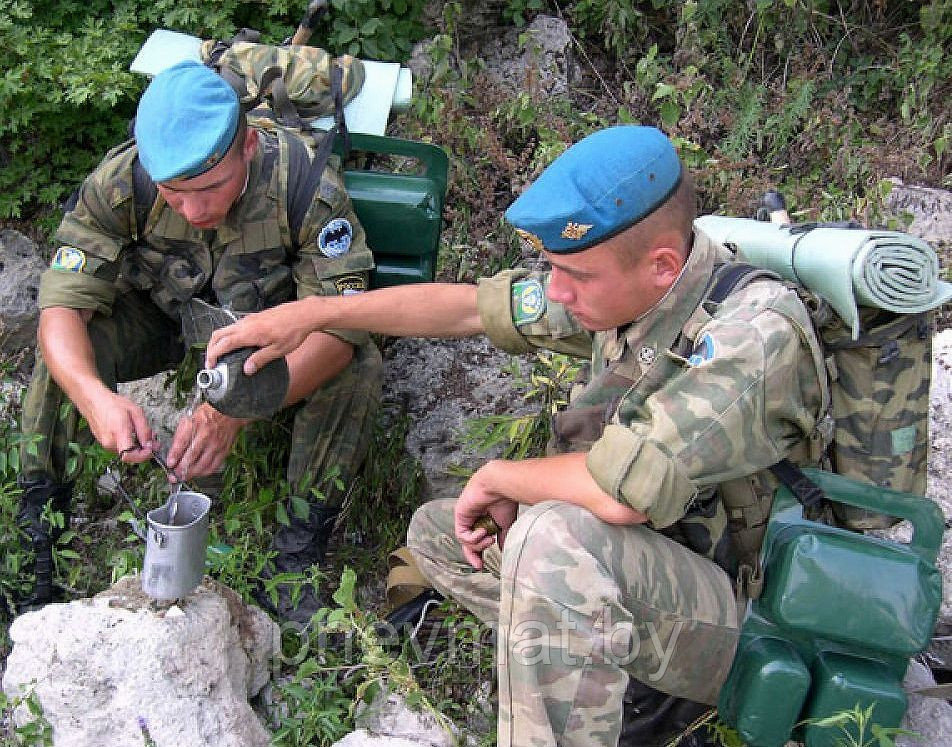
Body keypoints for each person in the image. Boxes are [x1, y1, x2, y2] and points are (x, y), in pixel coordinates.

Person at [205, 125, 827, 745]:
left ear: (662, 265)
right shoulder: (633, 288)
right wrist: (318, 312)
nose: (556, 290)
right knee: (439, 534)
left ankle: (608, 696)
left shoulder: (751, 340)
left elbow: (622, 495)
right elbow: (468, 308)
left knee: (550, 538)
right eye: (554, 270)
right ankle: (604, 663)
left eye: (573, 275)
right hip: (661, 569)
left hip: (755, 621)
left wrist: (499, 477)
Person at [17, 61, 382, 618]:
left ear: (249, 148)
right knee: (66, 360)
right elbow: (62, 306)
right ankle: (37, 542)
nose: (194, 210)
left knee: (357, 364)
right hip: (163, 319)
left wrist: (232, 411)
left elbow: (339, 323)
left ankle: (296, 557)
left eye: (211, 188)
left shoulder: (306, 185)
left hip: (265, 333)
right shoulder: (123, 180)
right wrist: (96, 400)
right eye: (173, 194)